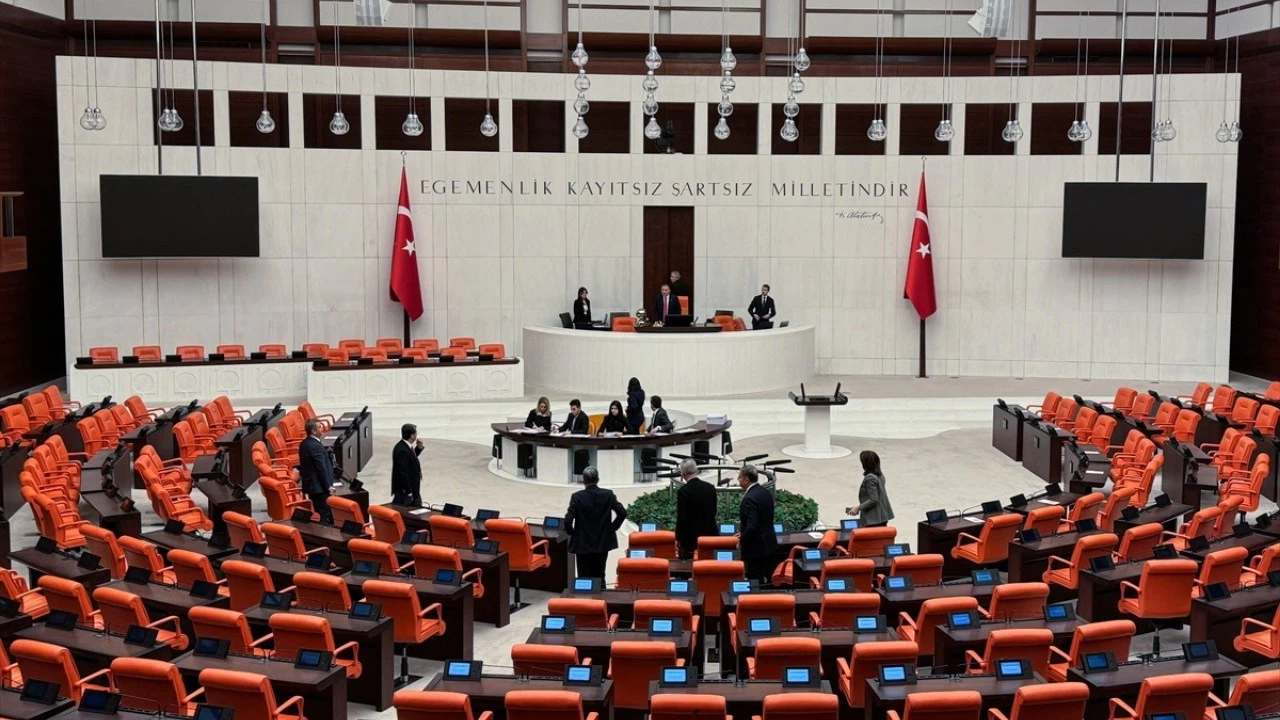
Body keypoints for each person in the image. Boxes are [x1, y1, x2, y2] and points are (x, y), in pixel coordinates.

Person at [565, 466, 627, 580]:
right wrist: (612, 528)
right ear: (598, 479)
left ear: (583, 480)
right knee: (600, 574)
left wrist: (573, 533)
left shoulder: (577, 497)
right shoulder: (608, 495)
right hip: (602, 542)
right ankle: (601, 591)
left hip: (583, 543)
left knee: (583, 576)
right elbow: (622, 513)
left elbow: (568, 520)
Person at [737, 465, 776, 583]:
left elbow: (752, 526)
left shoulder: (750, 498)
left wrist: (742, 540)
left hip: (755, 548)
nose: (738, 479)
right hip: (768, 543)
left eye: (740, 477)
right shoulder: (765, 492)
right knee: (765, 577)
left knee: (755, 580)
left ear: (746, 480)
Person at [675, 458, 717, 559]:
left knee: (688, 566)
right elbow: (714, 512)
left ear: (682, 473)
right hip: (709, 535)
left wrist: (678, 538)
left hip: (690, 540)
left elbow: (682, 518)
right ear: (696, 471)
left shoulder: (683, 491)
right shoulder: (710, 488)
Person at [297, 419, 335, 524]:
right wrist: (328, 486)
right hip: (319, 488)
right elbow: (321, 468)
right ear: (313, 431)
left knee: (321, 512)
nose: (322, 428)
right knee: (326, 516)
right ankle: (324, 532)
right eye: (319, 427)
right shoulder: (315, 446)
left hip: (312, 486)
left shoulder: (304, 443)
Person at [847, 450, 895, 528]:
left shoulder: (870, 478)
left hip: (874, 518)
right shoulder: (879, 475)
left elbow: (873, 499)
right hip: (882, 516)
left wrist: (858, 508)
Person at [391, 423, 424, 507]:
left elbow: (410, 459)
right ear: (412, 436)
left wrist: (418, 448)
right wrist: (409, 492)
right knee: (411, 510)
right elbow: (402, 472)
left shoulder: (405, 446)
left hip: (412, 489)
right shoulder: (401, 450)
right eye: (416, 433)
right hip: (406, 491)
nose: (417, 435)